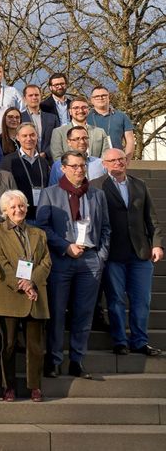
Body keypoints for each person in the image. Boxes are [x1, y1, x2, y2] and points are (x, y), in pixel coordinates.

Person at [36, 150, 111, 379]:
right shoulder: (50, 194)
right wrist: (66, 246)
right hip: (62, 260)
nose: (80, 170)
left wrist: (101, 256)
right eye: (75, 166)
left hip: (90, 262)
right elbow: (43, 228)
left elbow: (106, 228)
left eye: (82, 166)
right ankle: (54, 360)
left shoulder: (97, 195)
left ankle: (77, 360)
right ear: (63, 168)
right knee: (57, 313)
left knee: (83, 314)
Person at [92, 149, 164, 356]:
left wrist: (157, 244)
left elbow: (151, 218)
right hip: (113, 253)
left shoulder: (139, 185)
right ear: (104, 164)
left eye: (121, 159)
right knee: (115, 300)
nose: (118, 163)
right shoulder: (97, 186)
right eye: (113, 160)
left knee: (142, 300)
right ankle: (120, 341)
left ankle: (140, 341)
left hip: (140, 253)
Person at [0, 190, 52, 402]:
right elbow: (0, 262)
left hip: (35, 295)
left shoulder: (38, 233)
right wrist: (22, 285)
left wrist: (31, 281)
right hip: (9, 294)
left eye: (21, 206)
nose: (18, 210)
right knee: (9, 344)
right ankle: (8, 386)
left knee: (35, 345)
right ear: (5, 210)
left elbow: (46, 262)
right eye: (13, 207)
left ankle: (35, 386)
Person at [0, 123, 51, 220]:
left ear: (37, 136)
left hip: (42, 215)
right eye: (24, 136)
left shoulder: (43, 162)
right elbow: (4, 192)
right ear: (17, 138)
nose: (29, 139)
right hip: (20, 217)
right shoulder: (8, 161)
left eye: (32, 135)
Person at [88, 85, 135, 156]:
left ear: (109, 97)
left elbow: (130, 141)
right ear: (91, 100)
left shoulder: (122, 116)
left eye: (104, 95)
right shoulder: (85, 117)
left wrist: (127, 159)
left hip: (116, 161)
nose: (100, 98)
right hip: (92, 160)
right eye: (96, 96)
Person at [21, 84, 60, 160]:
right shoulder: (20, 118)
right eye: (30, 95)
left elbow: (57, 140)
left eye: (36, 95)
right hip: (26, 159)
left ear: (40, 97)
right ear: (24, 99)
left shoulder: (52, 118)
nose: (34, 97)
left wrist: (46, 153)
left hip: (49, 160)